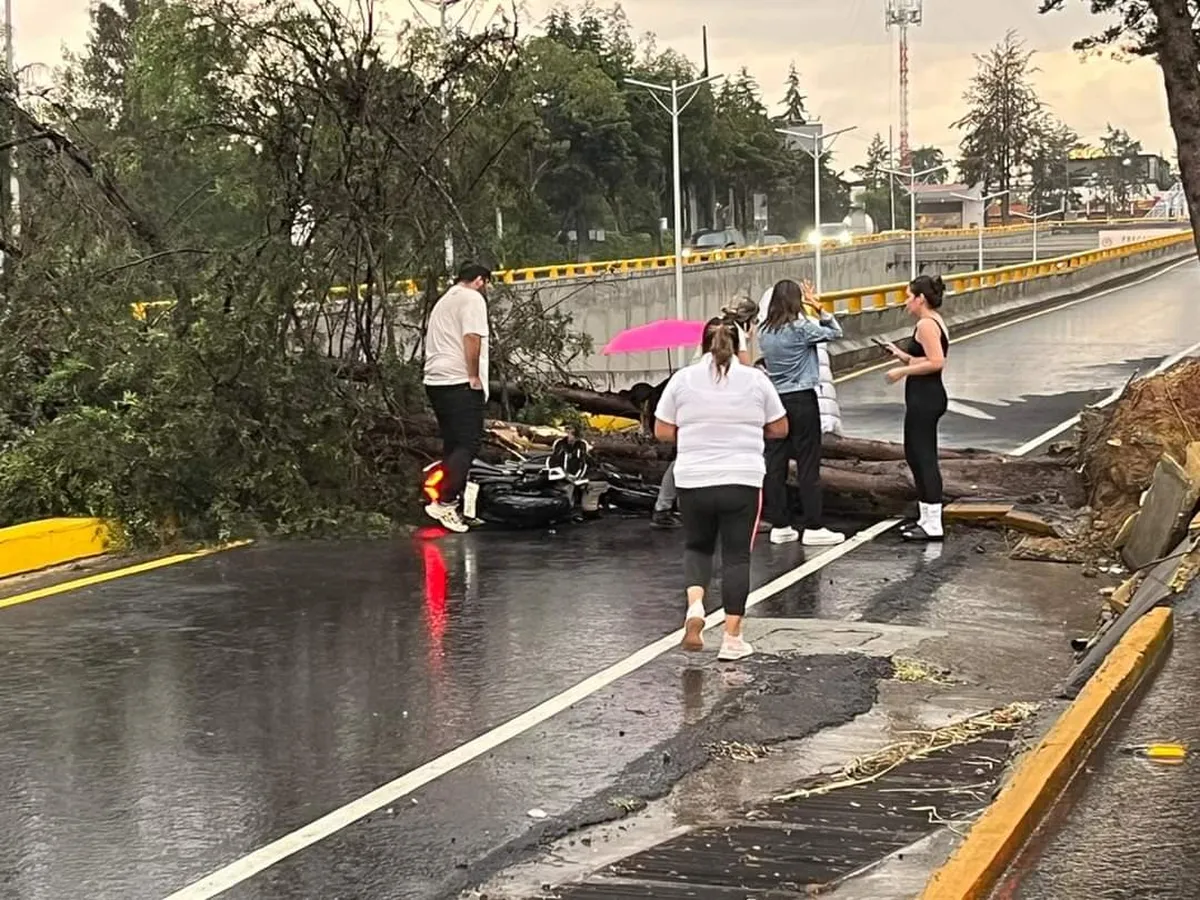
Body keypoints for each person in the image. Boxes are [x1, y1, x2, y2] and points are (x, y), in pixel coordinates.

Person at [654, 318, 788, 661]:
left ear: (702, 345)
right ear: (740, 345)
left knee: (697, 547)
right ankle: (731, 638)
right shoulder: (756, 381)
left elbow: (663, 431)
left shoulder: (682, 380)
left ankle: (696, 607)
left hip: (693, 480)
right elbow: (780, 427)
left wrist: (697, 433)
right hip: (741, 480)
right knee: (736, 556)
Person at [756, 279, 846, 546]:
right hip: (802, 399)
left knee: (775, 463)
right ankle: (813, 525)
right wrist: (819, 307)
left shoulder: (764, 331)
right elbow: (836, 332)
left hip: (775, 401)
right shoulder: (801, 328)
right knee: (808, 463)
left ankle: (781, 524)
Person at [651, 302, 755, 530]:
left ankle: (665, 506)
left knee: (687, 453)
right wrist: (747, 339)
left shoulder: (715, 326)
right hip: (711, 394)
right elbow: (747, 367)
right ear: (749, 320)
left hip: (693, 394)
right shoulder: (735, 331)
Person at [422, 262, 493, 532]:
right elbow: (472, 337)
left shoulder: (444, 300)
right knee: (469, 444)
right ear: (479, 280)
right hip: (459, 380)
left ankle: (456, 502)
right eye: (486, 283)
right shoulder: (472, 298)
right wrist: (473, 375)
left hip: (436, 380)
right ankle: (445, 501)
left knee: (453, 445)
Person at [882, 274, 950, 542]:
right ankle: (925, 516)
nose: (906, 303)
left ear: (920, 299)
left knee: (924, 458)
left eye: (909, 297)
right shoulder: (928, 323)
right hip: (924, 396)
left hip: (927, 397)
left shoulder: (926, 324)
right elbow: (923, 357)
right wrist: (901, 355)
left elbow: (936, 362)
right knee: (914, 454)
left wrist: (901, 371)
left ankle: (934, 522)